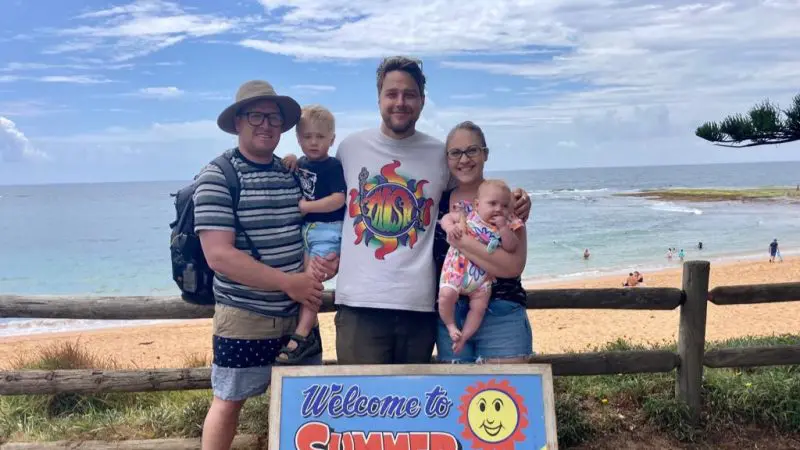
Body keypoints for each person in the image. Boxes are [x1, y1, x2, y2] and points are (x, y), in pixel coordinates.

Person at [333, 56, 531, 365]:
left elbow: (476, 190)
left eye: (409, 94)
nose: (400, 102)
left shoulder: (439, 155)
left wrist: (516, 198)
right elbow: (325, 198)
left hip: (421, 308)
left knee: (417, 407)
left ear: (422, 101)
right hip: (359, 305)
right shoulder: (349, 148)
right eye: (392, 93)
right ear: (379, 98)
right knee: (362, 406)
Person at [194, 80, 338, 450]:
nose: (265, 124)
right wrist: (289, 283)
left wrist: (328, 261)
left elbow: (313, 229)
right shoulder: (217, 176)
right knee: (228, 402)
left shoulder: (292, 173)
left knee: (306, 405)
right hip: (244, 314)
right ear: (238, 121)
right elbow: (219, 256)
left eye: (273, 117)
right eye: (256, 116)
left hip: (297, 314)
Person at [434, 121, 532, 364]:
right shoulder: (437, 202)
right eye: (455, 152)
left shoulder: (505, 200)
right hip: (451, 316)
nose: (464, 159)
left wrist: (461, 241)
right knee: (458, 398)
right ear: (447, 159)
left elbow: (513, 266)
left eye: (472, 150)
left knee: (508, 396)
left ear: (485, 154)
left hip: (501, 312)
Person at [276, 105, 345, 364]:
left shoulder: (333, 166)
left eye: (320, 137)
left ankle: (303, 333)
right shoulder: (300, 163)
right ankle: (306, 328)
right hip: (307, 232)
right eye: (307, 137)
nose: (313, 142)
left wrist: (306, 207)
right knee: (303, 278)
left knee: (311, 280)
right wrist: (292, 157)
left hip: (327, 230)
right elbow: (293, 166)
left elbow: (339, 200)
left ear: (331, 139)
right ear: (298, 138)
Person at [438, 179, 524, 354]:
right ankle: (451, 325)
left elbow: (511, 247)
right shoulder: (469, 215)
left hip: (482, 279)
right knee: (446, 295)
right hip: (457, 271)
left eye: (504, 206)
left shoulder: (506, 224)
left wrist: (503, 229)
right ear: (477, 204)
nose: (498, 209)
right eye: (492, 204)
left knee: (478, 308)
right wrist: (448, 228)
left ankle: (465, 336)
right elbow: (446, 218)